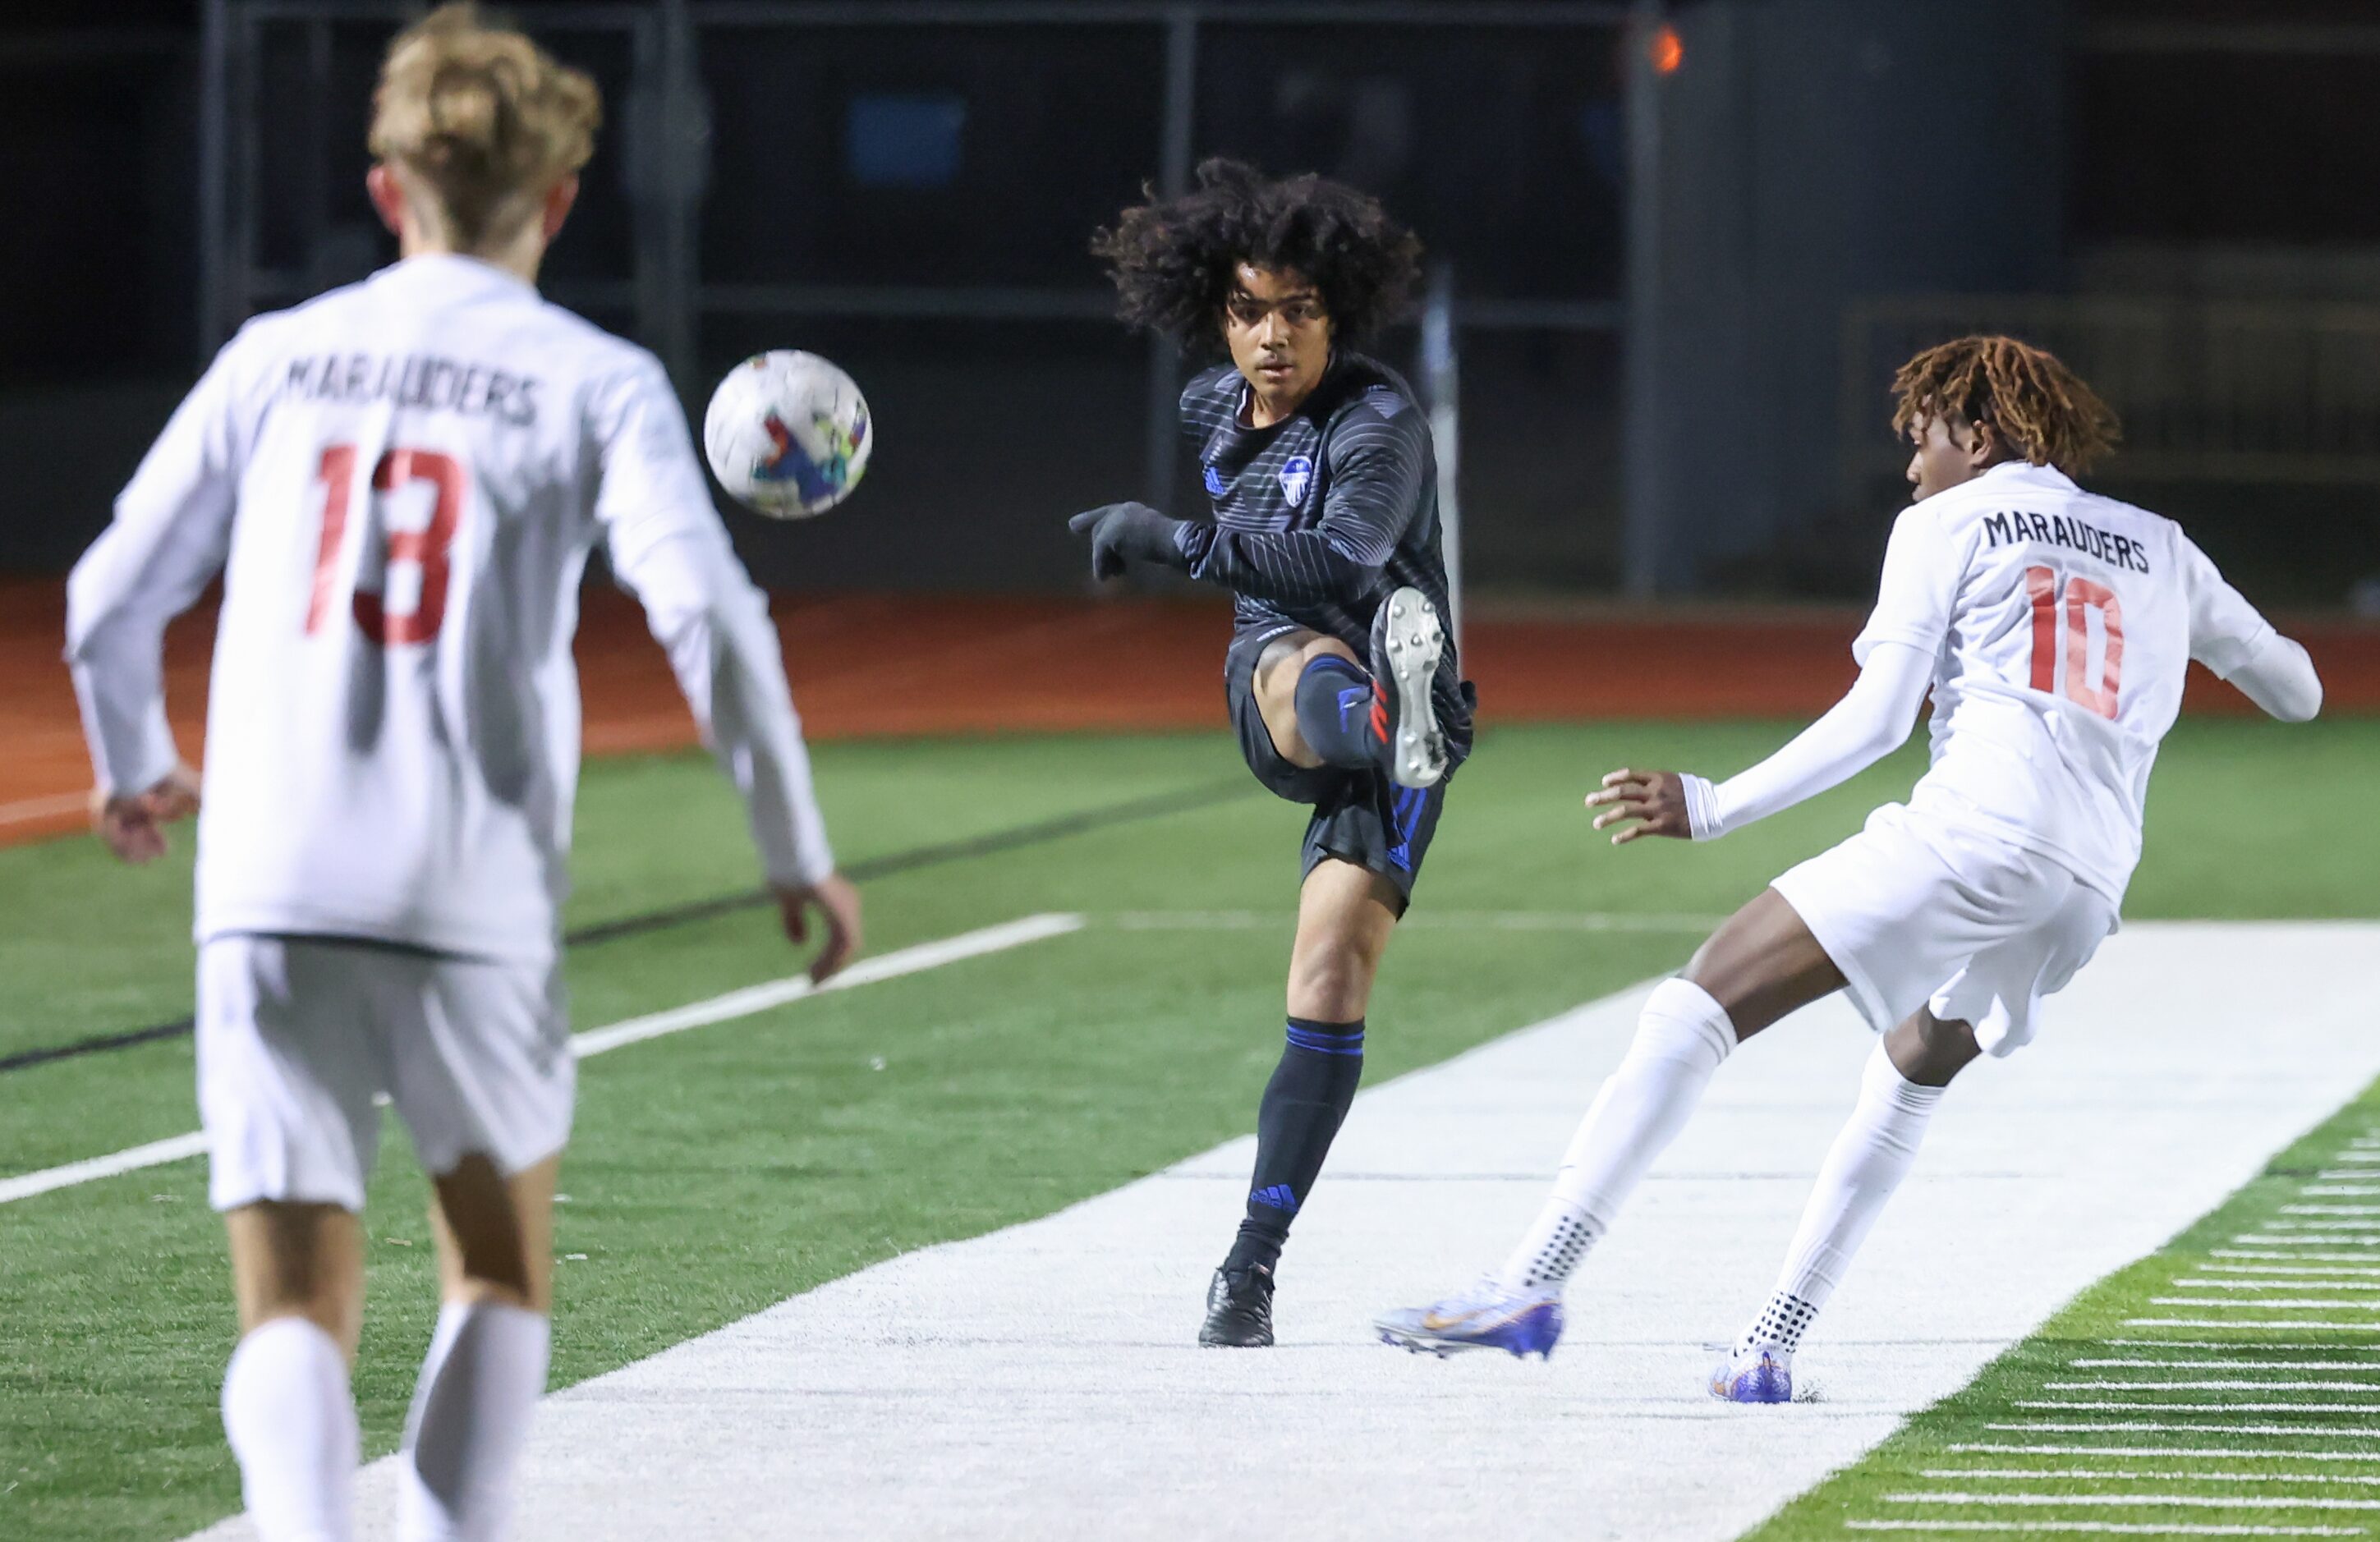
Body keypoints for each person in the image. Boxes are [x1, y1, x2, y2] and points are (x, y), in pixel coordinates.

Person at [64, 7, 861, 1537]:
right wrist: (792, 846)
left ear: (385, 191)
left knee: (291, 1298)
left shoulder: (274, 358)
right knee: (493, 1268)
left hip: (269, 886)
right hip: (468, 896)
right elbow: (703, 611)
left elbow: (108, 603)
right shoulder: (597, 379)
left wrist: (139, 763)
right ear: (559, 203)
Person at [1375, 335, 2323, 1397]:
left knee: (1694, 1008)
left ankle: (1527, 1283)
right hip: (2087, 887)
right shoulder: (2161, 544)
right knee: (1909, 1068)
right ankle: (1766, 1348)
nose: (1909, 466)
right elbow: (2297, 690)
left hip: (1975, 832)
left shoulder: (1946, 521)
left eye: (1919, 439)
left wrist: (1715, 802)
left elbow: (1879, 719)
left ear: (1975, 433)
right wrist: (2186, 647)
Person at [1072, 158, 1475, 1347]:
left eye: (1298, 309)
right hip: (1292, 690)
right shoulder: (1209, 409)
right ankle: (1390, 715)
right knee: (1299, 665)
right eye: (1249, 309)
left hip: (1400, 718)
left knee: (1328, 981)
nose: (1272, 335)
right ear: (1217, 312)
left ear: (1336, 312)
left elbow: (1348, 563)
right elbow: (1295, 598)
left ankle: (1246, 1272)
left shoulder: (1378, 420)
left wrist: (1166, 539)